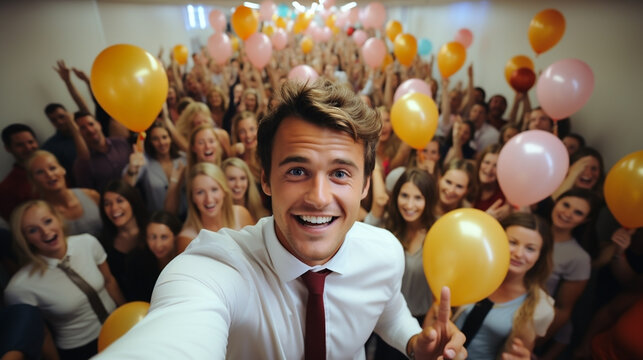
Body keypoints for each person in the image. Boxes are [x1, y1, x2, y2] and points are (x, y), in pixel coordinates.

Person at [95, 80, 467, 360]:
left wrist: (415, 343)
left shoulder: (384, 251)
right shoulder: (214, 269)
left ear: (366, 184)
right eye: (297, 171)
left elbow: (387, 310)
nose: (319, 197)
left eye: (340, 173)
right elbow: (179, 329)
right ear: (265, 178)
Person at [4, 200, 124, 359]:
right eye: (33, 230)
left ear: (57, 219)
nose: (46, 232)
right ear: (25, 239)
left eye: (47, 221)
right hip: (81, 349)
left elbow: (109, 281)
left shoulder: (87, 243)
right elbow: (43, 333)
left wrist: (127, 312)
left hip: (119, 325)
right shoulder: (20, 287)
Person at [453, 213, 555, 359]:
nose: (519, 254)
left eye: (530, 249)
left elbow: (518, 354)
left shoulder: (540, 307)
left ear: (540, 255)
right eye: (512, 242)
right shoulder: (472, 272)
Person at [375, 168, 438, 359]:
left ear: (429, 200)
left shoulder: (438, 233)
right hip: (385, 319)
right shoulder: (388, 227)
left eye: (418, 198)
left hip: (421, 322)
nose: (409, 204)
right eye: (404, 195)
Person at [537, 189, 599, 359]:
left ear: (585, 220)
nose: (567, 213)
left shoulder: (578, 257)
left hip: (532, 324)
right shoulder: (532, 231)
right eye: (566, 204)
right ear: (556, 202)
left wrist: (535, 342)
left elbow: (564, 310)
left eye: (578, 212)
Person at [177, 162, 254, 252]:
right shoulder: (186, 238)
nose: (209, 199)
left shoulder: (241, 214)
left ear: (224, 191)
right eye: (200, 192)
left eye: (214, 189)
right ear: (192, 197)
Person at [27, 150, 102, 237]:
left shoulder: (91, 195)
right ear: (32, 181)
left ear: (62, 169)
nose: (49, 175)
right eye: (40, 172)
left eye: (52, 168)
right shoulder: (41, 214)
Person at [99, 180, 149, 302]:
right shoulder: (104, 243)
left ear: (132, 202)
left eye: (120, 200)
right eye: (107, 203)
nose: (114, 208)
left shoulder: (153, 231)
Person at [123, 120, 187, 213]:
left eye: (164, 137)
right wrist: (132, 168)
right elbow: (127, 185)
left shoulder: (184, 158)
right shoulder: (145, 163)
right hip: (158, 219)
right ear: (150, 142)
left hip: (186, 217)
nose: (161, 142)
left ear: (171, 138)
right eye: (155, 139)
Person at [123, 210, 182, 302]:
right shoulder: (135, 262)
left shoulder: (183, 261)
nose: (158, 245)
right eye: (153, 237)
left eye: (164, 237)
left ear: (175, 237)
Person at [72, 112, 131, 191]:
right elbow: (90, 194)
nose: (89, 130)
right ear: (79, 134)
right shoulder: (82, 164)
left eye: (91, 124)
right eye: (82, 128)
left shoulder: (121, 143)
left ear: (99, 125)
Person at [0, 124, 39, 222]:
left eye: (31, 142)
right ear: (8, 149)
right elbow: (17, 225)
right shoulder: (6, 188)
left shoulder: (55, 169)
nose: (28, 148)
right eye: (20, 145)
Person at [222, 157, 269, 222]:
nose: (238, 184)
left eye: (242, 178)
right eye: (232, 179)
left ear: (248, 181)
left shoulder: (263, 214)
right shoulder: (218, 216)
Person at [42, 103, 78, 186]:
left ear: (69, 115)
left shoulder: (86, 131)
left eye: (62, 117)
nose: (59, 122)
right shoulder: (50, 147)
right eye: (53, 120)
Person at [473, 144, 511, 221]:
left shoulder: (506, 192)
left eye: (496, 166)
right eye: (486, 162)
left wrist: (510, 210)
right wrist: (486, 219)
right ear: (480, 162)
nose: (489, 169)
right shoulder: (468, 184)